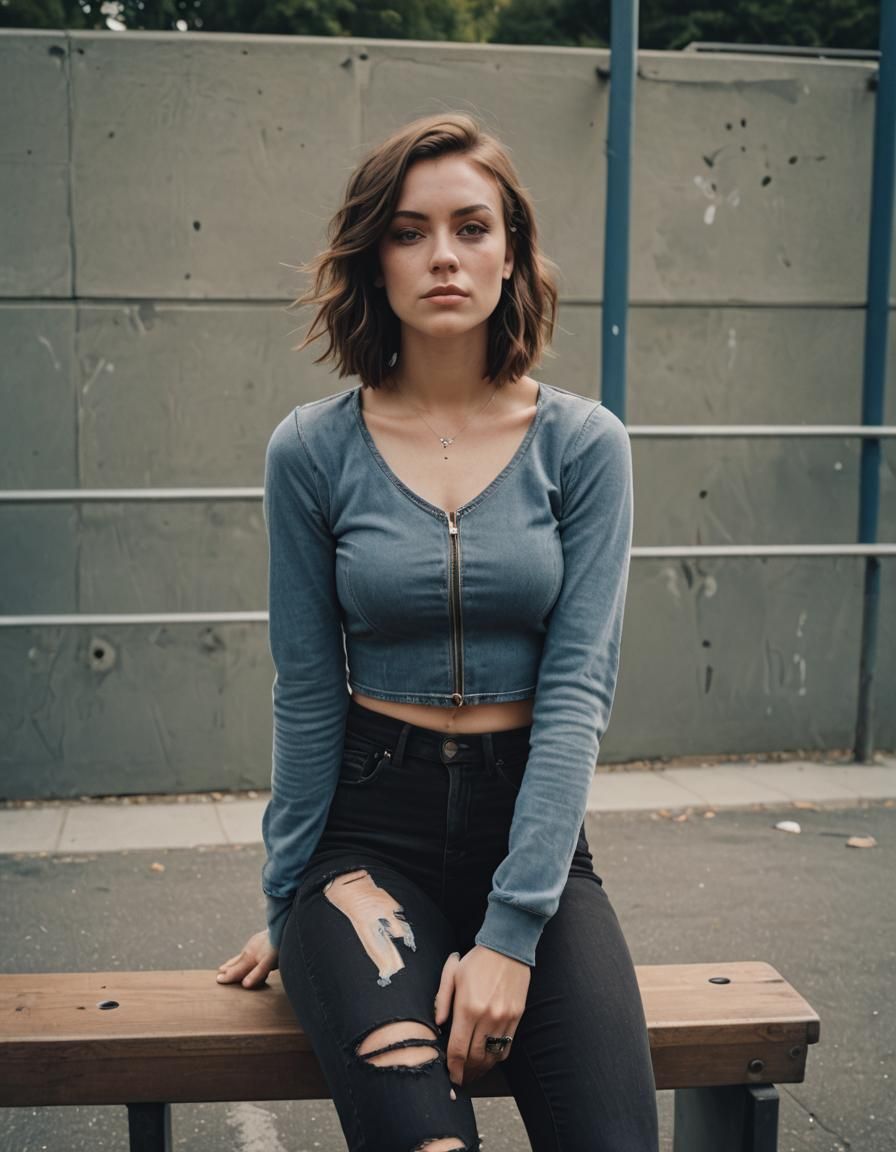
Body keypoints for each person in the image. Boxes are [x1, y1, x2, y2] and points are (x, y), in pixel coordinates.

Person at [216, 112, 659, 1152]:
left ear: (511, 252)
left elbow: (575, 693)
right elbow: (306, 690)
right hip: (368, 840)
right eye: (409, 232)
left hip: (531, 839)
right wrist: (294, 911)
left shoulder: (584, 445)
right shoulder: (311, 452)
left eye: (471, 227)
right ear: (375, 260)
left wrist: (512, 930)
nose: (444, 256)